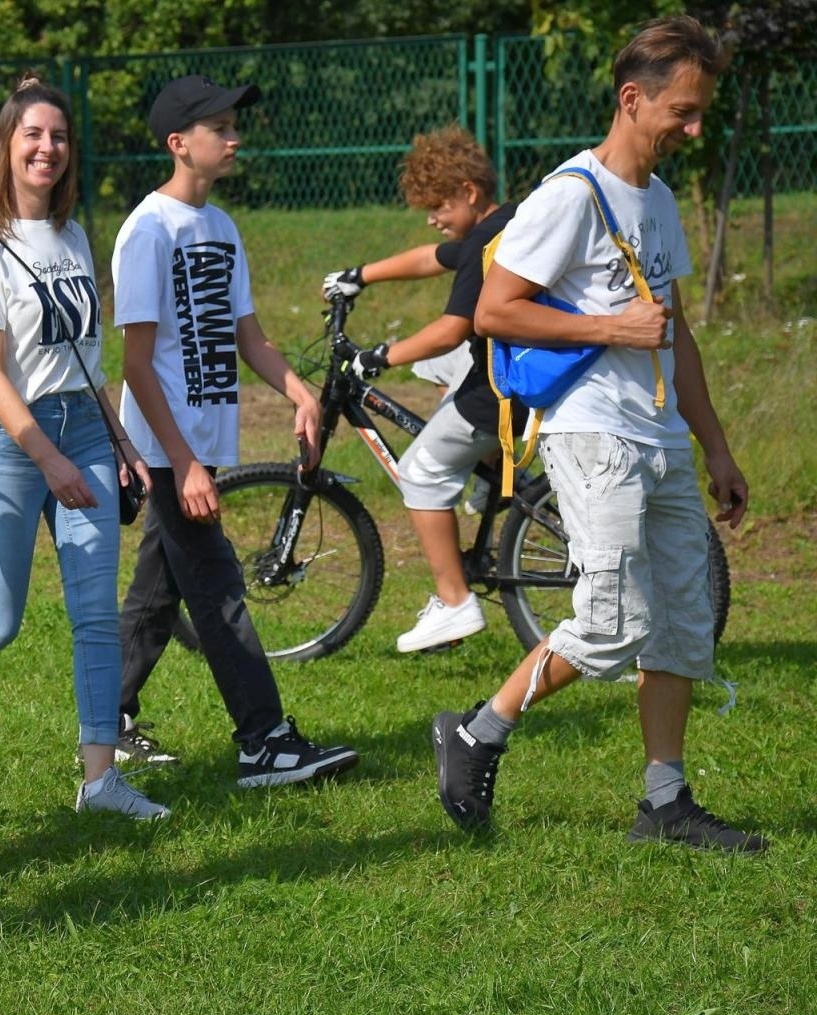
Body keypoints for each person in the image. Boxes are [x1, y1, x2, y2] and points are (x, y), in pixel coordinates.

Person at [432, 15, 764, 853]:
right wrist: (611, 331)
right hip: (591, 435)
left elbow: (674, 331)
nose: (694, 129)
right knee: (612, 622)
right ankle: (478, 732)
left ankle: (665, 802)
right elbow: (492, 309)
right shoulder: (568, 196)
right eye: (683, 112)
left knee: (685, 621)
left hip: (658, 440)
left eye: (699, 114)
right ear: (631, 99)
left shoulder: (654, 200)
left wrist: (716, 448)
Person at [0, 73, 165, 819]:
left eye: (57, 136)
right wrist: (48, 462)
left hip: (83, 427)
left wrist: (119, 440)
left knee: (94, 616)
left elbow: (87, 357)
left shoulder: (77, 234)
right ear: (7, 147)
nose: (46, 148)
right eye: (32, 135)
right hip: (8, 446)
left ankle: (99, 780)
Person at [111, 74, 359, 789]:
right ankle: (264, 741)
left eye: (232, 124)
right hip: (168, 449)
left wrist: (299, 391)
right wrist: (182, 464)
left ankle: (108, 719)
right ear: (178, 143)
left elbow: (248, 335)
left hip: (200, 446)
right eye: (219, 126)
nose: (233, 136)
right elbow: (134, 363)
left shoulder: (220, 228)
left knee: (158, 593)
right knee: (217, 588)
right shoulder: (146, 231)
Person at [320, 127, 522, 653]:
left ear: (469, 191)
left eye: (438, 205)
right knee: (435, 369)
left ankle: (454, 603)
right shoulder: (505, 223)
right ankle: (491, 471)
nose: (432, 218)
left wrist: (379, 355)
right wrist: (360, 274)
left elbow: (451, 329)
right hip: (522, 364)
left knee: (421, 471)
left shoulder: (485, 242)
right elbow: (431, 257)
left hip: (505, 384)